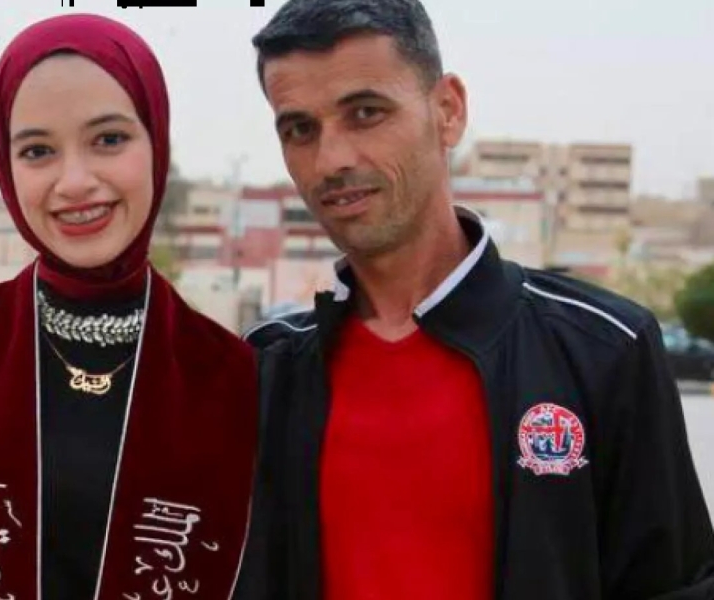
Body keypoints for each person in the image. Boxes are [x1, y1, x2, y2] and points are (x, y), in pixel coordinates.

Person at [235, 0, 714, 599]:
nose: (332, 159)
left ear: (448, 111)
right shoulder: (261, 373)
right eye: (300, 130)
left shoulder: (603, 349)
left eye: (365, 113)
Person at [0, 14, 259, 600]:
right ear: (5, 168)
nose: (75, 181)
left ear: (157, 142)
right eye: (38, 151)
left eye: (108, 139)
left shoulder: (241, 382)